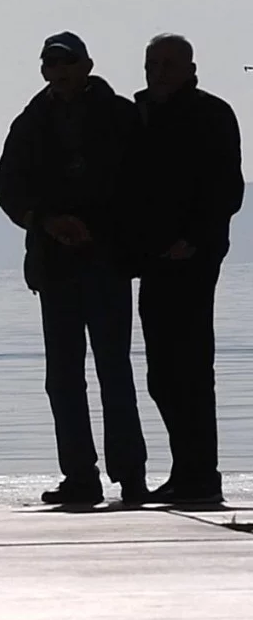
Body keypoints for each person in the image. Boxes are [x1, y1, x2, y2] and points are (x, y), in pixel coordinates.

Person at [0, 33, 149, 505]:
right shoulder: (30, 122)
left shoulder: (121, 116)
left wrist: (97, 229)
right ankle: (80, 476)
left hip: (107, 261)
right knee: (62, 376)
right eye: (51, 65)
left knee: (114, 371)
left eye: (67, 64)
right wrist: (48, 222)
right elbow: (9, 189)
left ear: (87, 66)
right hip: (55, 265)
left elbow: (141, 182)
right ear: (43, 71)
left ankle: (131, 476)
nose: (59, 72)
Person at [130, 34, 244, 504]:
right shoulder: (140, 115)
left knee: (192, 369)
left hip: (194, 259)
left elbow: (225, 189)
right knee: (162, 374)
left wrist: (193, 240)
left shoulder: (211, 113)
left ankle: (202, 475)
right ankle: (185, 469)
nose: (158, 72)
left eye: (168, 64)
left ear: (189, 67)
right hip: (152, 259)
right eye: (151, 64)